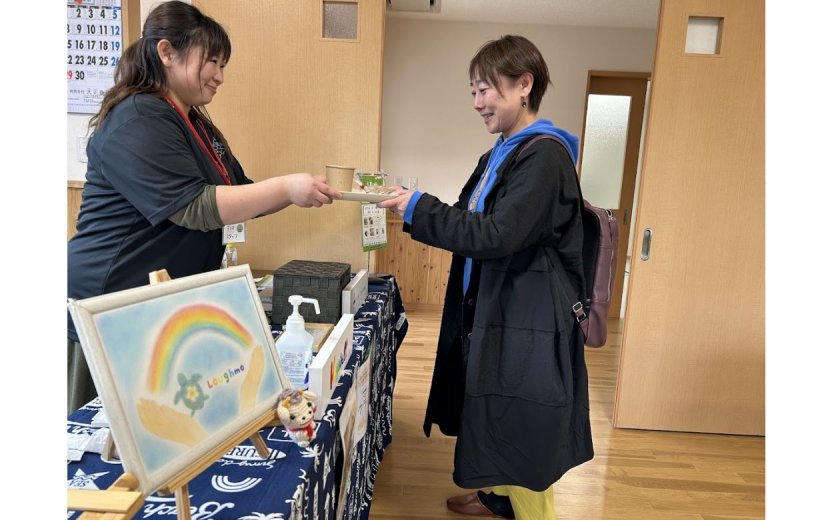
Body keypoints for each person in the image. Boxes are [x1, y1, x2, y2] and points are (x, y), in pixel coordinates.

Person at [67, 1, 341, 413]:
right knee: (107, 432)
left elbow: (239, 194)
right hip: (109, 302)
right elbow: (195, 206)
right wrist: (287, 187)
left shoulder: (195, 122)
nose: (219, 76)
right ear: (166, 52)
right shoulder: (137, 118)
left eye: (222, 65)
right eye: (211, 61)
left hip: (160, 307)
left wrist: (297, 192)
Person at [377, 35, 594, 519]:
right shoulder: (501, 153)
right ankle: (497, 496)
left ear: (524, 85)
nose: (476, 102)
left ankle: (531, 510)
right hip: (498, 308)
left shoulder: (544, 157)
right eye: (472, 91)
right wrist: (410, 203)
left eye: (485, 89)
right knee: (495, 408)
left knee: (522, 423)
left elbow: (497, 234)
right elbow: (466, 219)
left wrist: (418, 207)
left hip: (531, 319)